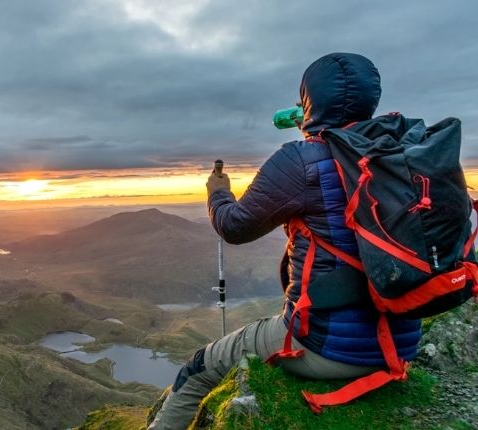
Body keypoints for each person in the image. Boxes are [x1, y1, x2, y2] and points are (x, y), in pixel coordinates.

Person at [147, 52, 422, 429]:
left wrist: (218, 191)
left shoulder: (301, 159)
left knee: (198, 367)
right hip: (402, 340)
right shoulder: (402, 154)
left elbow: (234, 226)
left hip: (327, 347)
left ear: (309, 100)